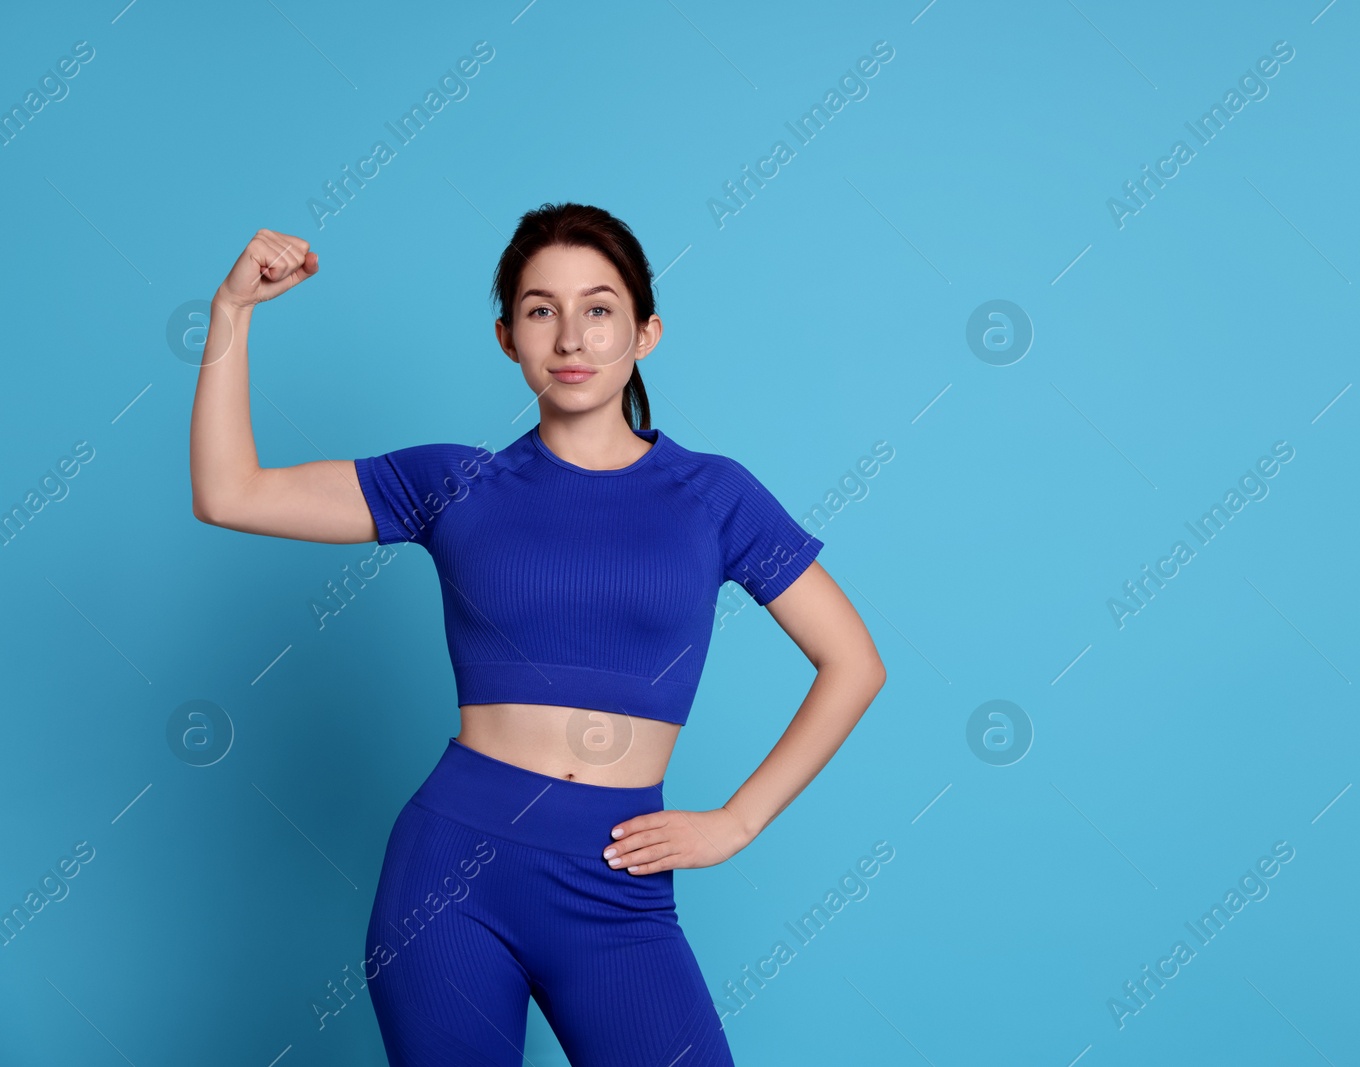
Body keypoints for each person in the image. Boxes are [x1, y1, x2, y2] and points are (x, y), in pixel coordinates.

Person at [188, 205, 887, 1066]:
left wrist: (737, 821)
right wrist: (232, 313)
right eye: (539, 310)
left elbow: (853, 662)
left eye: (598, 309)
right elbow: (229, 492)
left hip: (617, 882)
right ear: (507, 337)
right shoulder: (453, 482)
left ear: (646, 332)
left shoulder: (714, 496)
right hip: (448, 878)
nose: (570, 336)